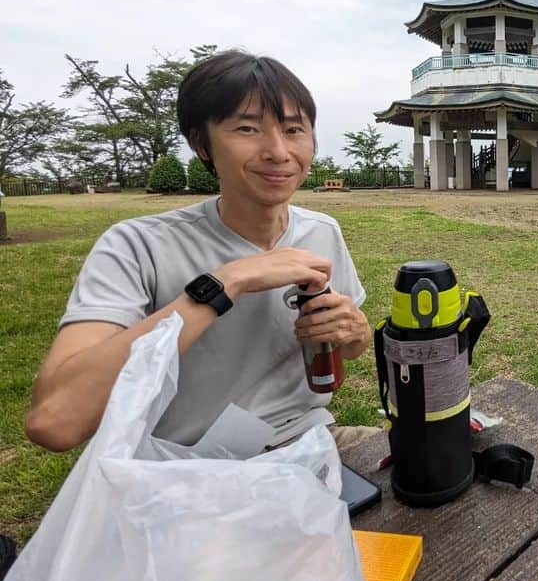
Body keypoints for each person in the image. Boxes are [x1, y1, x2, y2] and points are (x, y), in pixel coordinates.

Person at [25, 51, 375, 454]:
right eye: (247, 128)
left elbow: (347, 346)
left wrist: (356, 333)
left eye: (294, 130)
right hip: (182, 468)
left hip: (308, 443)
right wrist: (226, 282)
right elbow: (54, 421)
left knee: (440, 463)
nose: (278, 151)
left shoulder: (321, 232)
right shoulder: (137, 246)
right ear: (201, 144)